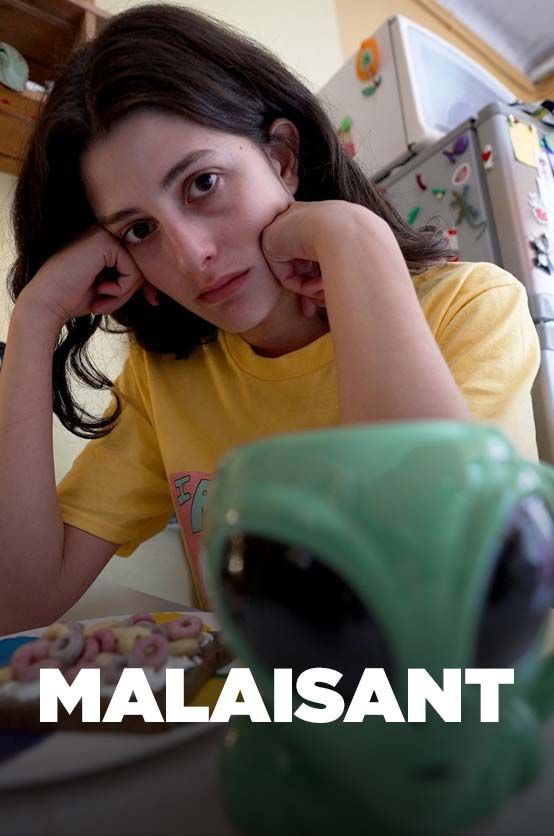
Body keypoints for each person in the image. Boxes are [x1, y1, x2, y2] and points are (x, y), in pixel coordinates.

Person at [0, 4, 539, 632]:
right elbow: (19, 600)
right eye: (140, 230)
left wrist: (357, 242)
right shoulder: (165, 379)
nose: (191, 256)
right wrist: (36, 315)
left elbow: (428, 594)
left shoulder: (470, 308)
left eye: (203, 183)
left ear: (283, 159)